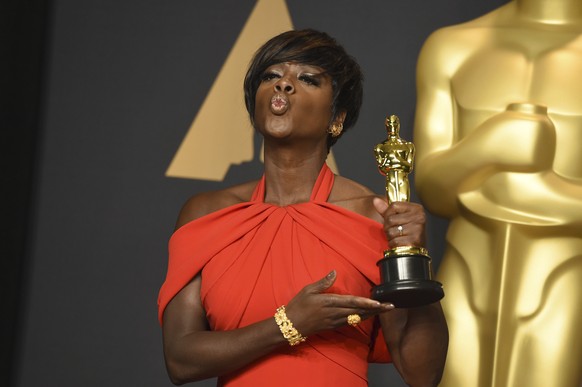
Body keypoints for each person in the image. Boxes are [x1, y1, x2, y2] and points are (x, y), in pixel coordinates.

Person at [158, 29, 448, 387]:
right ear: (255, 102)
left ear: (337, 117)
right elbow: (180, 359)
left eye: (307, 79)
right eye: (271, 76)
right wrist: (289, 324)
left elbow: (423, 374)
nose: (284, 86)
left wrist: (414, 255)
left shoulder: (375, 216)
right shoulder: (207, 214)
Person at [413, 0, 582, 386]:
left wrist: (543, 193)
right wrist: (487, 146)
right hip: (465, 272)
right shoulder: (452, 47)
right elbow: (434, 189)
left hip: (568, 280)